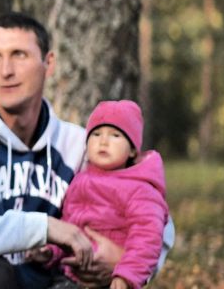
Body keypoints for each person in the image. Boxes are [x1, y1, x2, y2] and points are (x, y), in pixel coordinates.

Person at [0, 13, 174, 289]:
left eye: (19, 55)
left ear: (48, 63)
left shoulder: (76, 146)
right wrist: (42, 228)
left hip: (47, 282)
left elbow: (157, 217)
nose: (6, 70)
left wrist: (125, 265)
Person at [27, 100, 169, 289]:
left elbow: (147, 237)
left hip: (111, 280)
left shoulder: (140, 189)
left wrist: (127, 275)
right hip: (70, 276)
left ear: (133, 150)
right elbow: (70, 227)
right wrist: (51, 252)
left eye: (115, 135)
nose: (103, 141)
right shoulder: (80, 180)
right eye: (96, 134)